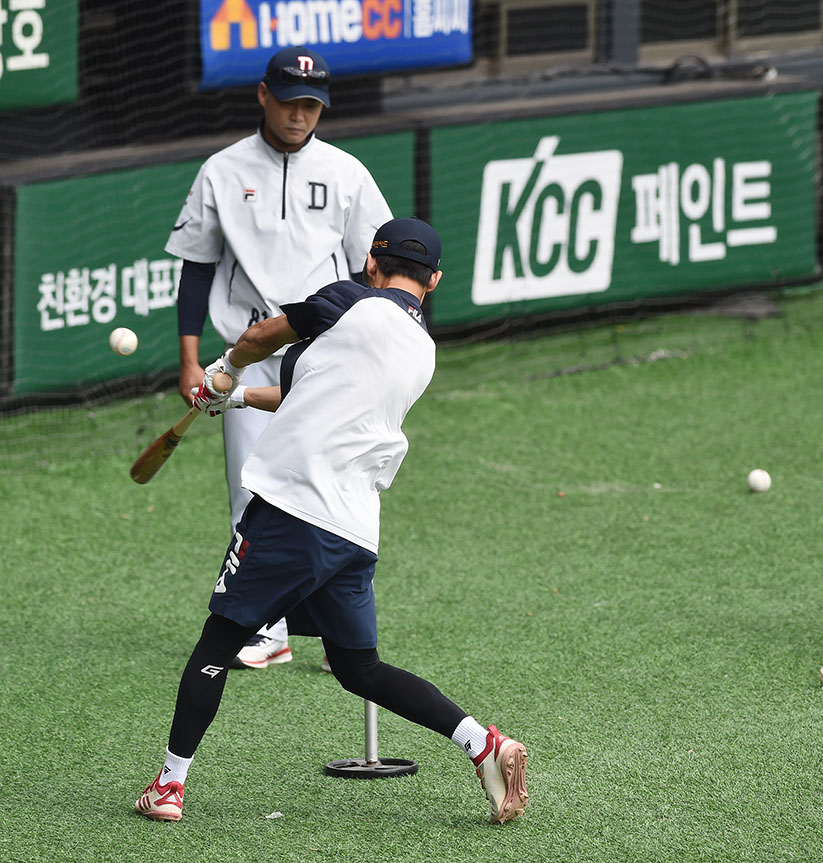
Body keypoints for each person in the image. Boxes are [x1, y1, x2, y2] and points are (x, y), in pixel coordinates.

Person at [135, 218, 529, 824]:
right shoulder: (423, 350)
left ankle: (167, 787)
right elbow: (306, 391)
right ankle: (483, 743)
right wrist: (233, 399)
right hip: (353, 529)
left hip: (291, 510)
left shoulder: (349, 299)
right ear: (436, 280)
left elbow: (266, 333)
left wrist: (226, 369)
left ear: (372, 263)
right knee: (357, 668)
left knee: (218, 642)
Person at [167, 45, 392, 670]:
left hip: (324, 354)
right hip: (245, 353)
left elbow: (373, 268)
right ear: (263, 95)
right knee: (253, 489)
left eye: (312, 105)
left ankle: (345, 629)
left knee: (334, 484)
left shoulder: (348, 173)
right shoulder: (221, 170)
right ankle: (267, 629)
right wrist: (193, 364)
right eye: (290, 101)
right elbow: (196, 269)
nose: (300, 115)